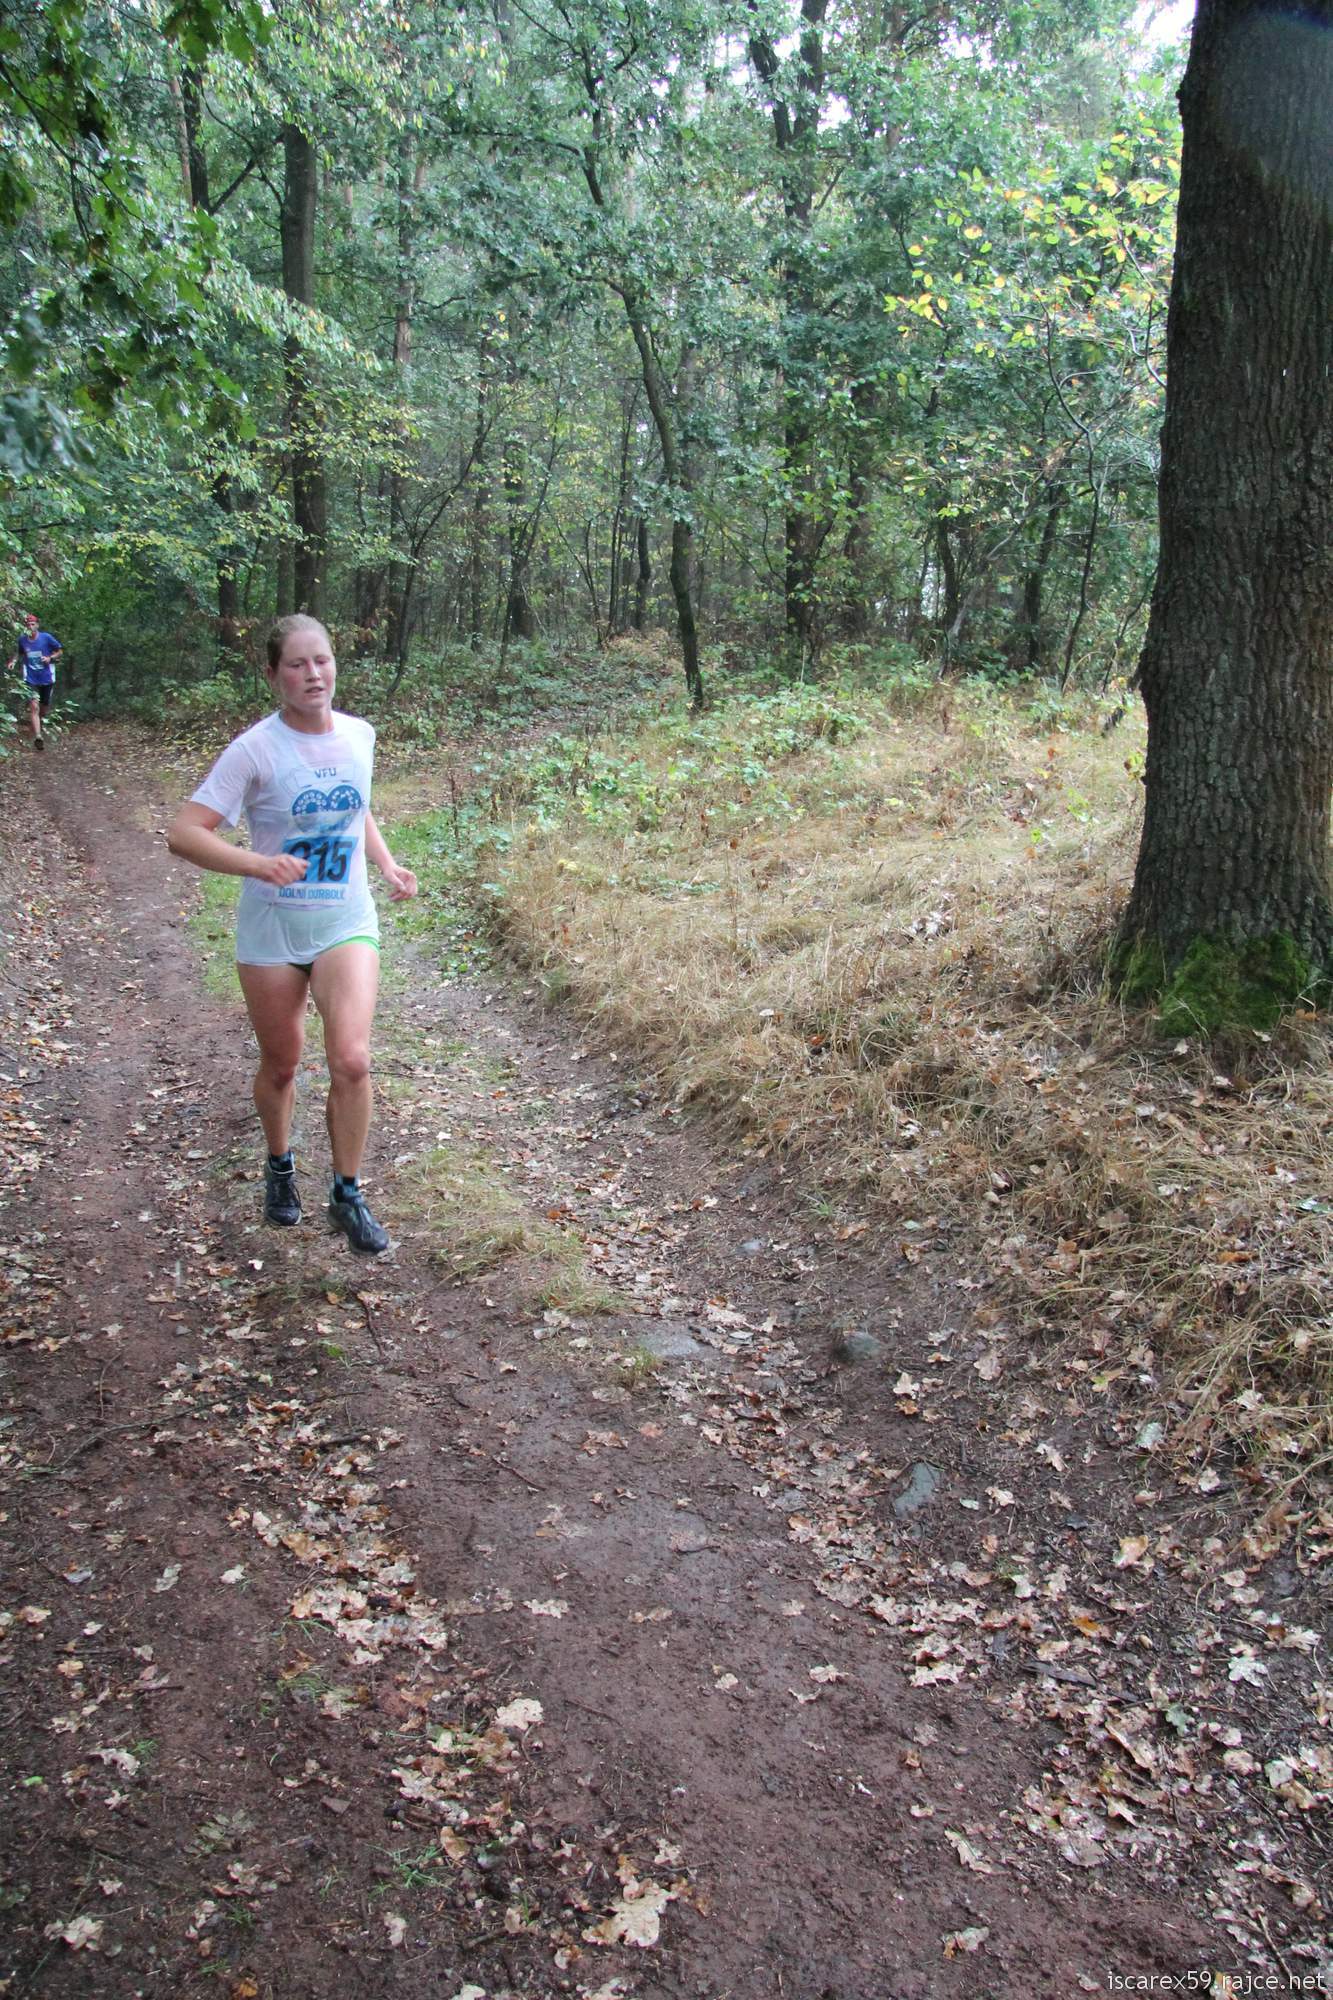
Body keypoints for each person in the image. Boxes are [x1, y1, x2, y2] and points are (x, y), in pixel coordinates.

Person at [166, 615, 418, 1253]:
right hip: (273, 929)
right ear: (273, 674)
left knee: (352, 1059)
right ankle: (280, 1166)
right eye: (298, 664)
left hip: (344, 921)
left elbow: (356, 807)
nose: (313, 674)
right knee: (281, 1066)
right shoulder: (255, 749)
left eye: (322, 660)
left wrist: (387, 864)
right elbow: (184, 833)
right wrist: (257, 863)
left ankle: (347, 1193)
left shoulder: (360, 735)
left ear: (335, 664)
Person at [8, 612, 62, 750]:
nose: (30, 627)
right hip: (30, 677)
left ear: (37, 625)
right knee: (34, 706)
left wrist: (50, 658)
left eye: (33, 624)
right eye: (28, 625)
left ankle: (37, 726)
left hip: (46, 676)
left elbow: (59, 651)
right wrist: (13, 661)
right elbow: (19, 652)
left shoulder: (46, 638)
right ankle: (38, 736)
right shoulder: (22, 640)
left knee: (43, 709)